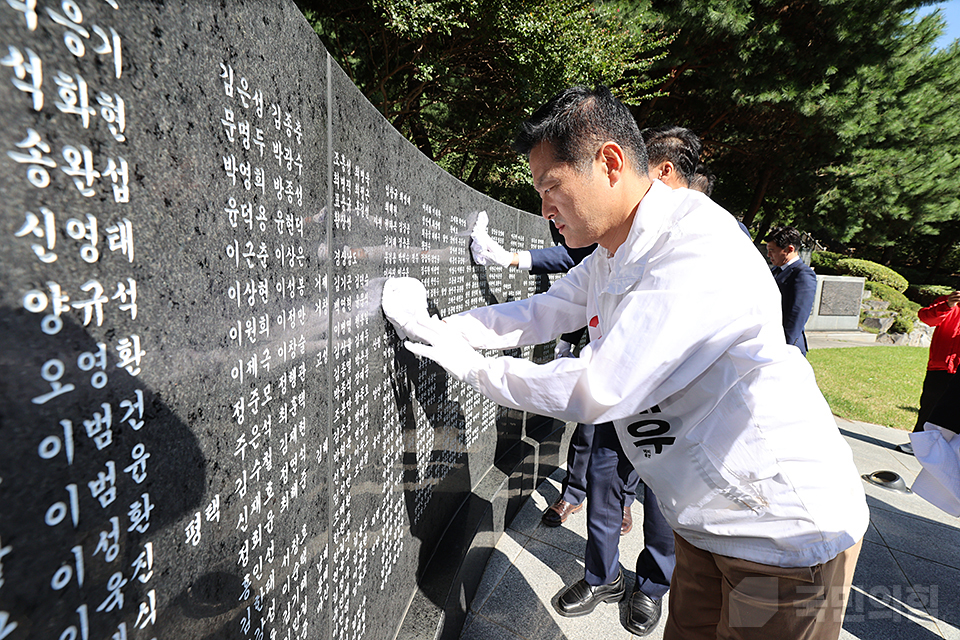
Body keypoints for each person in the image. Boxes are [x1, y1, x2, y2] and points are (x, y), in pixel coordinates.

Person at [382, 85, 868, 639]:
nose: (545, 209)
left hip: (783, 531)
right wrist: (441, 329)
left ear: (609, 162)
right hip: (704, 522)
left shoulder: (692, 245)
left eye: (551, 188)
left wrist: (466, 363)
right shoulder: (617, 248)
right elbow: (548, 309)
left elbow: (599, 387)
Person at [896, 290, 960, 455]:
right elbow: (926, 317)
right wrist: (948, 305)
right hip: (940, 365)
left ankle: (948, 450)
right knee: (929, 405)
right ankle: (919, 443)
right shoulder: (947, 301)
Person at [765, 226, 818, 356]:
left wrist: (784, 348)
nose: (768, 255)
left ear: (789, 249)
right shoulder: (775, 271)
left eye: (772, 250)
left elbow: (797, 315)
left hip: (787, 346)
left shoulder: (802, 274)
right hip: (768, 341)